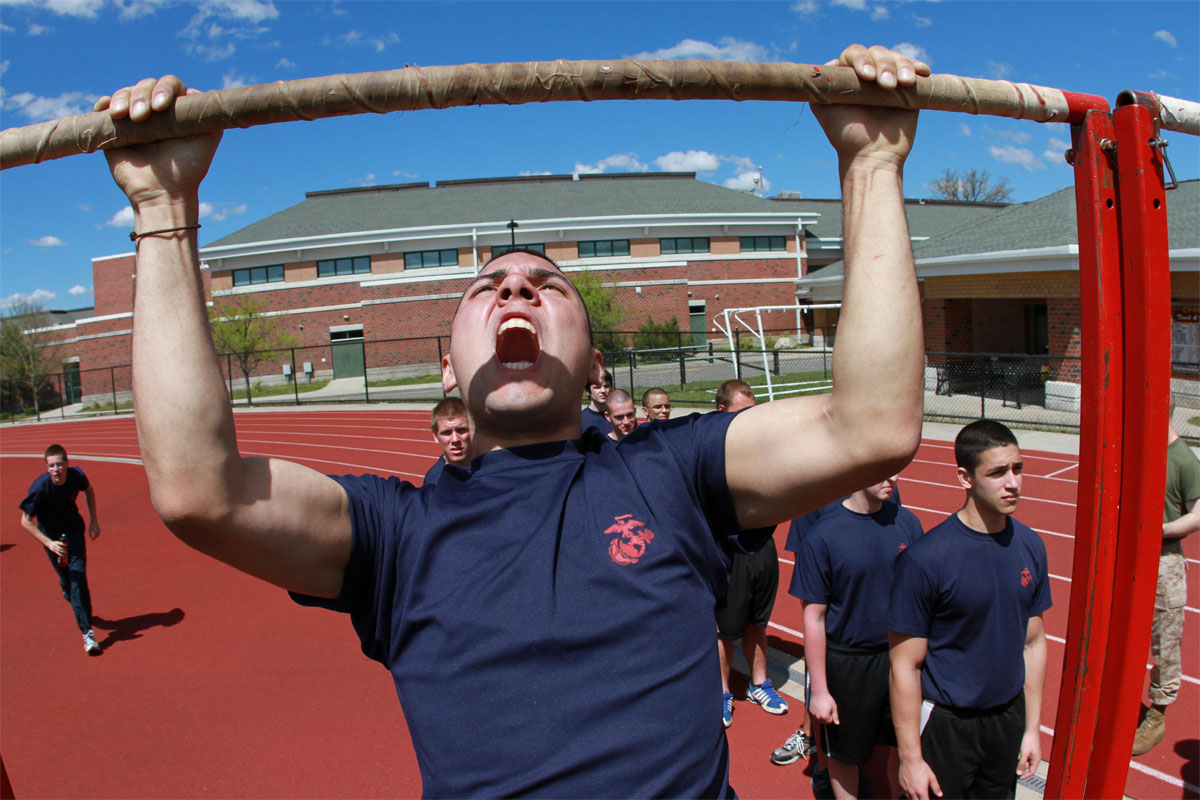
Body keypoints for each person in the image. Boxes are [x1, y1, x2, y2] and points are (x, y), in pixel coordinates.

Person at [97, 43, 927, 797]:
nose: (516, 289)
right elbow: (200, 491)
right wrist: (162, 210)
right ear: (450, 370)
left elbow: (871, 427)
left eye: (546, 285)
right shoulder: (397, 536)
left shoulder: (675, 470)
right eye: (486, 288)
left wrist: (873, 165)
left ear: (596, 367)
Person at [889, 420, 1050, 800]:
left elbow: (1034, 642)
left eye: (1017, 469)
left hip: (1006, 719)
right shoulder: (925, 560)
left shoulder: (1031, 545)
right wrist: (911, 758)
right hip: (948, 726)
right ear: (965, 477)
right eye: (997, 473)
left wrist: (1031, 727)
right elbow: (904, 665)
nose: (1012, 483)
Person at [795, 477, 923, 798]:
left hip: (898, 659)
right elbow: (814, 617)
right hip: (847, 662)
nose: (892, 478)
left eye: (895, 470)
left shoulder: (908, 524)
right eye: (883, 470)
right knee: (844, 755)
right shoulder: (823, 534)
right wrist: (820, 691)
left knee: (901, 745)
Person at [773, 477, 904, 778]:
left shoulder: (885, 489)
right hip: (838, 638)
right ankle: (812, 742)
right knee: (820, 682)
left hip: (884, 641)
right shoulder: (816, 491)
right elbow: (808, 595)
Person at [713, 380, 788, 728]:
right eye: (743, 412)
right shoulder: (711, 453)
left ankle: (759, 683)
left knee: (758, 623)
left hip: (763, 548)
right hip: (730, 551)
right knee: (726, 629)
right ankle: (723, 691)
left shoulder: (765, 448)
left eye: (753, 411)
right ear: (722, 412)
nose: (750, 419)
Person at [1132, 394, 1200, 755]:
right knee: (1127, 633)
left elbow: (1199, 513)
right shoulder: (1142, 452)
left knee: (1165, 640)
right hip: (1131, 559)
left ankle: (1156, 715)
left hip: (1164, 562)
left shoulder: (1184, 459)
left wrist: (1157, 530)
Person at [18, 444, 103, 655]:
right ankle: (64, 585)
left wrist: (94, 520)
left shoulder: (76, 475)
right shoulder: (39, 488)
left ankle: (87, 634)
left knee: (78, 577)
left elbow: (89, 490)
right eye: (51, 466)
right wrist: (49, 543)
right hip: (49, 534)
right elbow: (25, 521)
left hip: (73, 528)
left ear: (67, 463)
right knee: (66, 577)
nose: (56, 469)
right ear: (47, 468)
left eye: (59, 464)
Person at [423, 397, 472, 483]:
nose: (455, 439)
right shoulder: (434, 481)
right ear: (435, 437)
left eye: (461, 430)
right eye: (446, 432)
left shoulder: (493, 468)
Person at [581, 368, 614, 434]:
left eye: (606, 386)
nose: (603, 391)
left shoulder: (620, 416)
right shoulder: (580, 420)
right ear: (588, 391)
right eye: (597, 387)